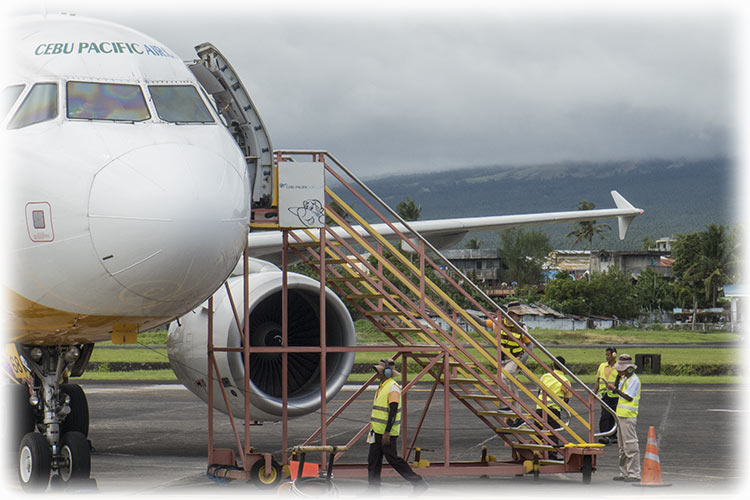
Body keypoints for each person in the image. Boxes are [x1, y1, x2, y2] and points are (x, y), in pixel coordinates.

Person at [367, 359, 427, 493]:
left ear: (387, 373)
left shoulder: (392, 387)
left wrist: (387, 432)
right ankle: (373, 489)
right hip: (376, 431)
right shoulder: (383, 385)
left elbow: (393, 411)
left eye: (379, 371)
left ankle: (417, 481)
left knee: (393, 459)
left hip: (386, 433)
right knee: (373, 461)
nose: (377, 374)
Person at [607, 353, 641, 483]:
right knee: (622, 447)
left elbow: (628, 397)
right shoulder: (624, 379)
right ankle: (624, 472)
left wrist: (615, 389)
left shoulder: (634, 380)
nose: (620, 371)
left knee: (630, 445)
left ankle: (634, 473)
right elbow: (617, 391)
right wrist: (617, 379)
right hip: (620, 416)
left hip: (628, 417)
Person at [496, 302, 531, 426]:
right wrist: (464, 313)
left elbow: (529, 345)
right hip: (504, 359)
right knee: (511, 386)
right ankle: (518, 415)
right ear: (511, 314)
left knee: (504, 376)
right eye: (518, 315)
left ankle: (507, 405)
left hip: (516, 358)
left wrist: (522, 363)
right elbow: (483, 322)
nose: (520, 318)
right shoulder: (499, 323)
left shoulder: (521, 327)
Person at [535, 356, 572, 457]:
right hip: (553, 410)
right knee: (553, 433)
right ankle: (552, 454)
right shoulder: (565, 381)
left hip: (540, 408)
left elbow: (538, 390)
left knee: (538, 432)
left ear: (553, 365)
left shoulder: (544, 376)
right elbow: (566, 399)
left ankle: (537, 453)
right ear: (564, 367)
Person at [594, 346, 619, 444]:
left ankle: (613, 436)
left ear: (614, 355)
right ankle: (604, 435)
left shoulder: (619, 367)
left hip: (615, 395)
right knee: (605, 415)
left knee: (613, 416)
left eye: (608, 355)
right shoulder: (602, 366)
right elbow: (597, 381)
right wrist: (594, 393)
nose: (606, 357)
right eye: (606, 355)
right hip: (604, 395)